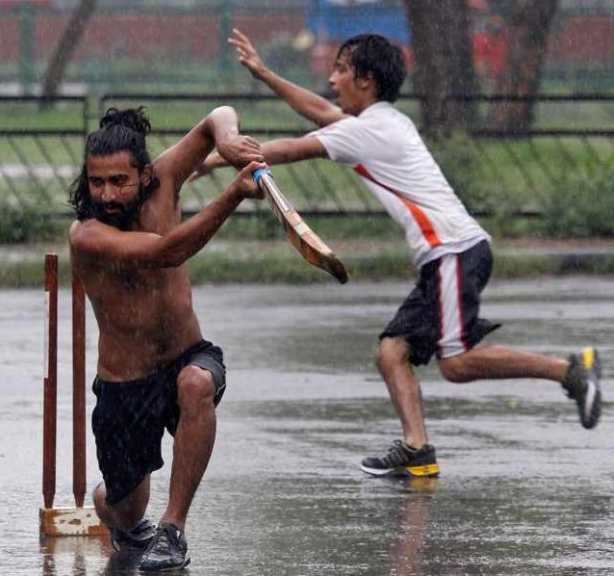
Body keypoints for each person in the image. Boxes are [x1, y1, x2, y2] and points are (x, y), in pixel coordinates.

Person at [199, 28, 602, 478]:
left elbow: (291, 148)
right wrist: (263, 73)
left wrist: (209, 158)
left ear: (366, 80)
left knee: (457, 363)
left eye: (340, 70)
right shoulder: (383, 122)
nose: (332, 80)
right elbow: (319, 111)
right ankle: (417, 449)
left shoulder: (368, 132)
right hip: (448, 255)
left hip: (452, 251)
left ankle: (570, 369)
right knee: (392, 352)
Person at [68, 105, 264, 571]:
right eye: (97, 182)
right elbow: (165, 250)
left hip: (186, 354)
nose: (108, 194)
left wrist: (230, 140)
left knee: (196, 384)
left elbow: (217, 116)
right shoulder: (86, 234)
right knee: (123, 507)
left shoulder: (168, 177)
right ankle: (116, 510)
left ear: (146, 173)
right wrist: (234, 192)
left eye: (120, 181)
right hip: (124, 383)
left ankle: (173, 529)